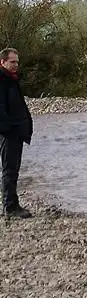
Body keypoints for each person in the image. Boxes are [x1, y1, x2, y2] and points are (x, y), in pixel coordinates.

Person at [0, 48, 33, 218]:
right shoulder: (2, 80)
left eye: (17, 62)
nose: (16, 65)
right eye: (13, 62)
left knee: (13, 169)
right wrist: (10, 129)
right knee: (9, 170)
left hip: (16, 132)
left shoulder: (11, 80)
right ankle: (10, 207)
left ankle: (12, 204)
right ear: (3, 62)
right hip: (9, 133)